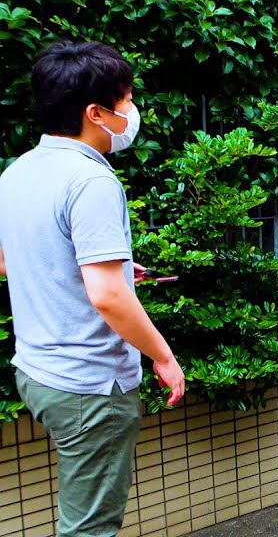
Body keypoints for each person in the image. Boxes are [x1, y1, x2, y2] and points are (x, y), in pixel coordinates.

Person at [0, 41, 186, 537]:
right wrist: (162, 356)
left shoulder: (19, 171)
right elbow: (106, 296)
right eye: (126, 100)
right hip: (88, 383)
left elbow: (9, 261)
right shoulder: (90, 180)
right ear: (96, 113)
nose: (132, 111)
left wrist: (117, 267)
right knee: (90, 528)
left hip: (37, 372)